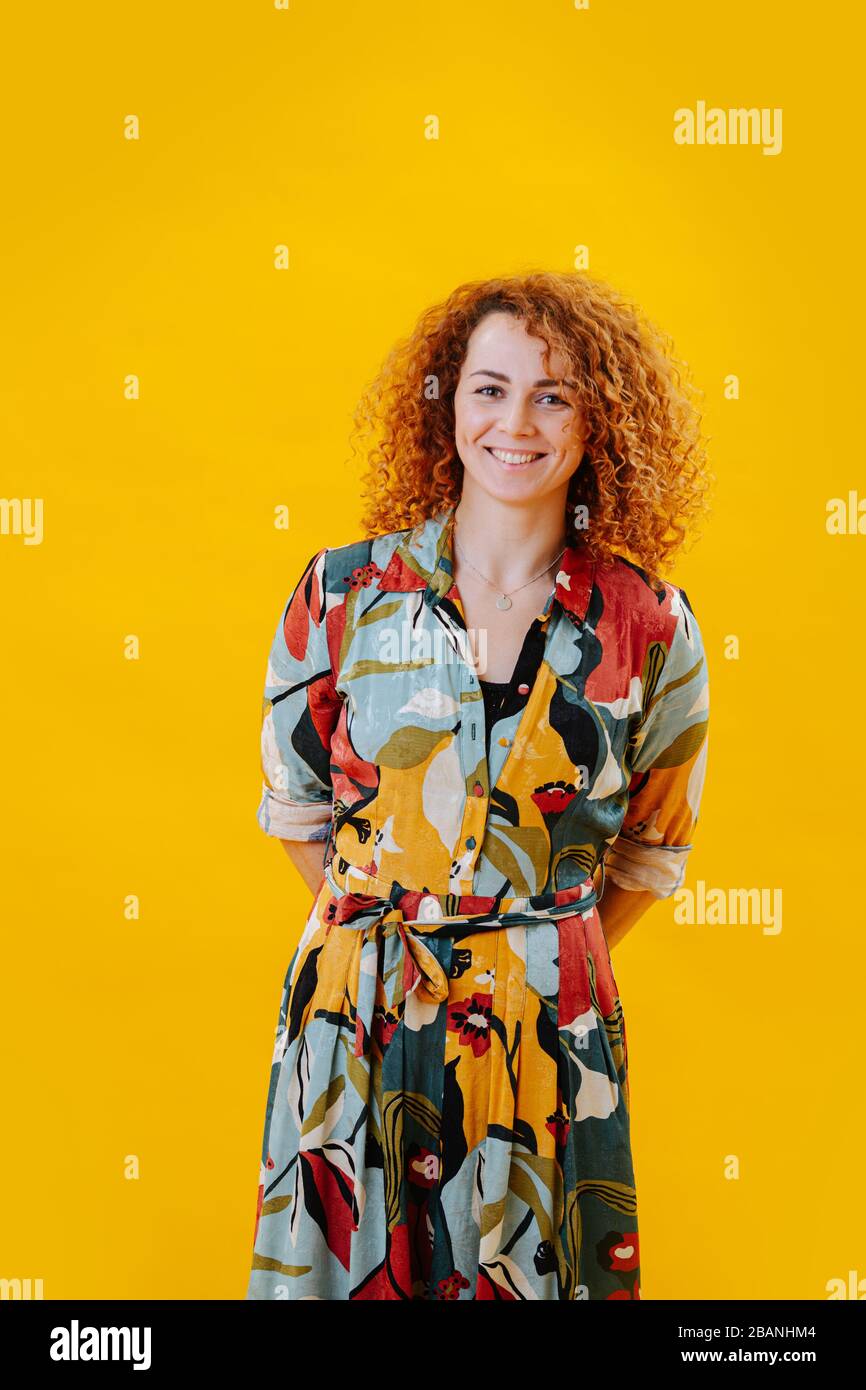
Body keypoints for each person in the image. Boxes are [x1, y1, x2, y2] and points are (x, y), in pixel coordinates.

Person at [245, 270, 712, 1301]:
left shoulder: (654, 626)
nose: (515, 423)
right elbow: (298, 812)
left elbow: (648, 854)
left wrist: (527, 946)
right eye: (488, 389)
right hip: (355, 1014)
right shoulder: (340, 595)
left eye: (552, 395)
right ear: (446, 404)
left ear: (598, 422)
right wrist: (397, 935)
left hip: (546, 1032)